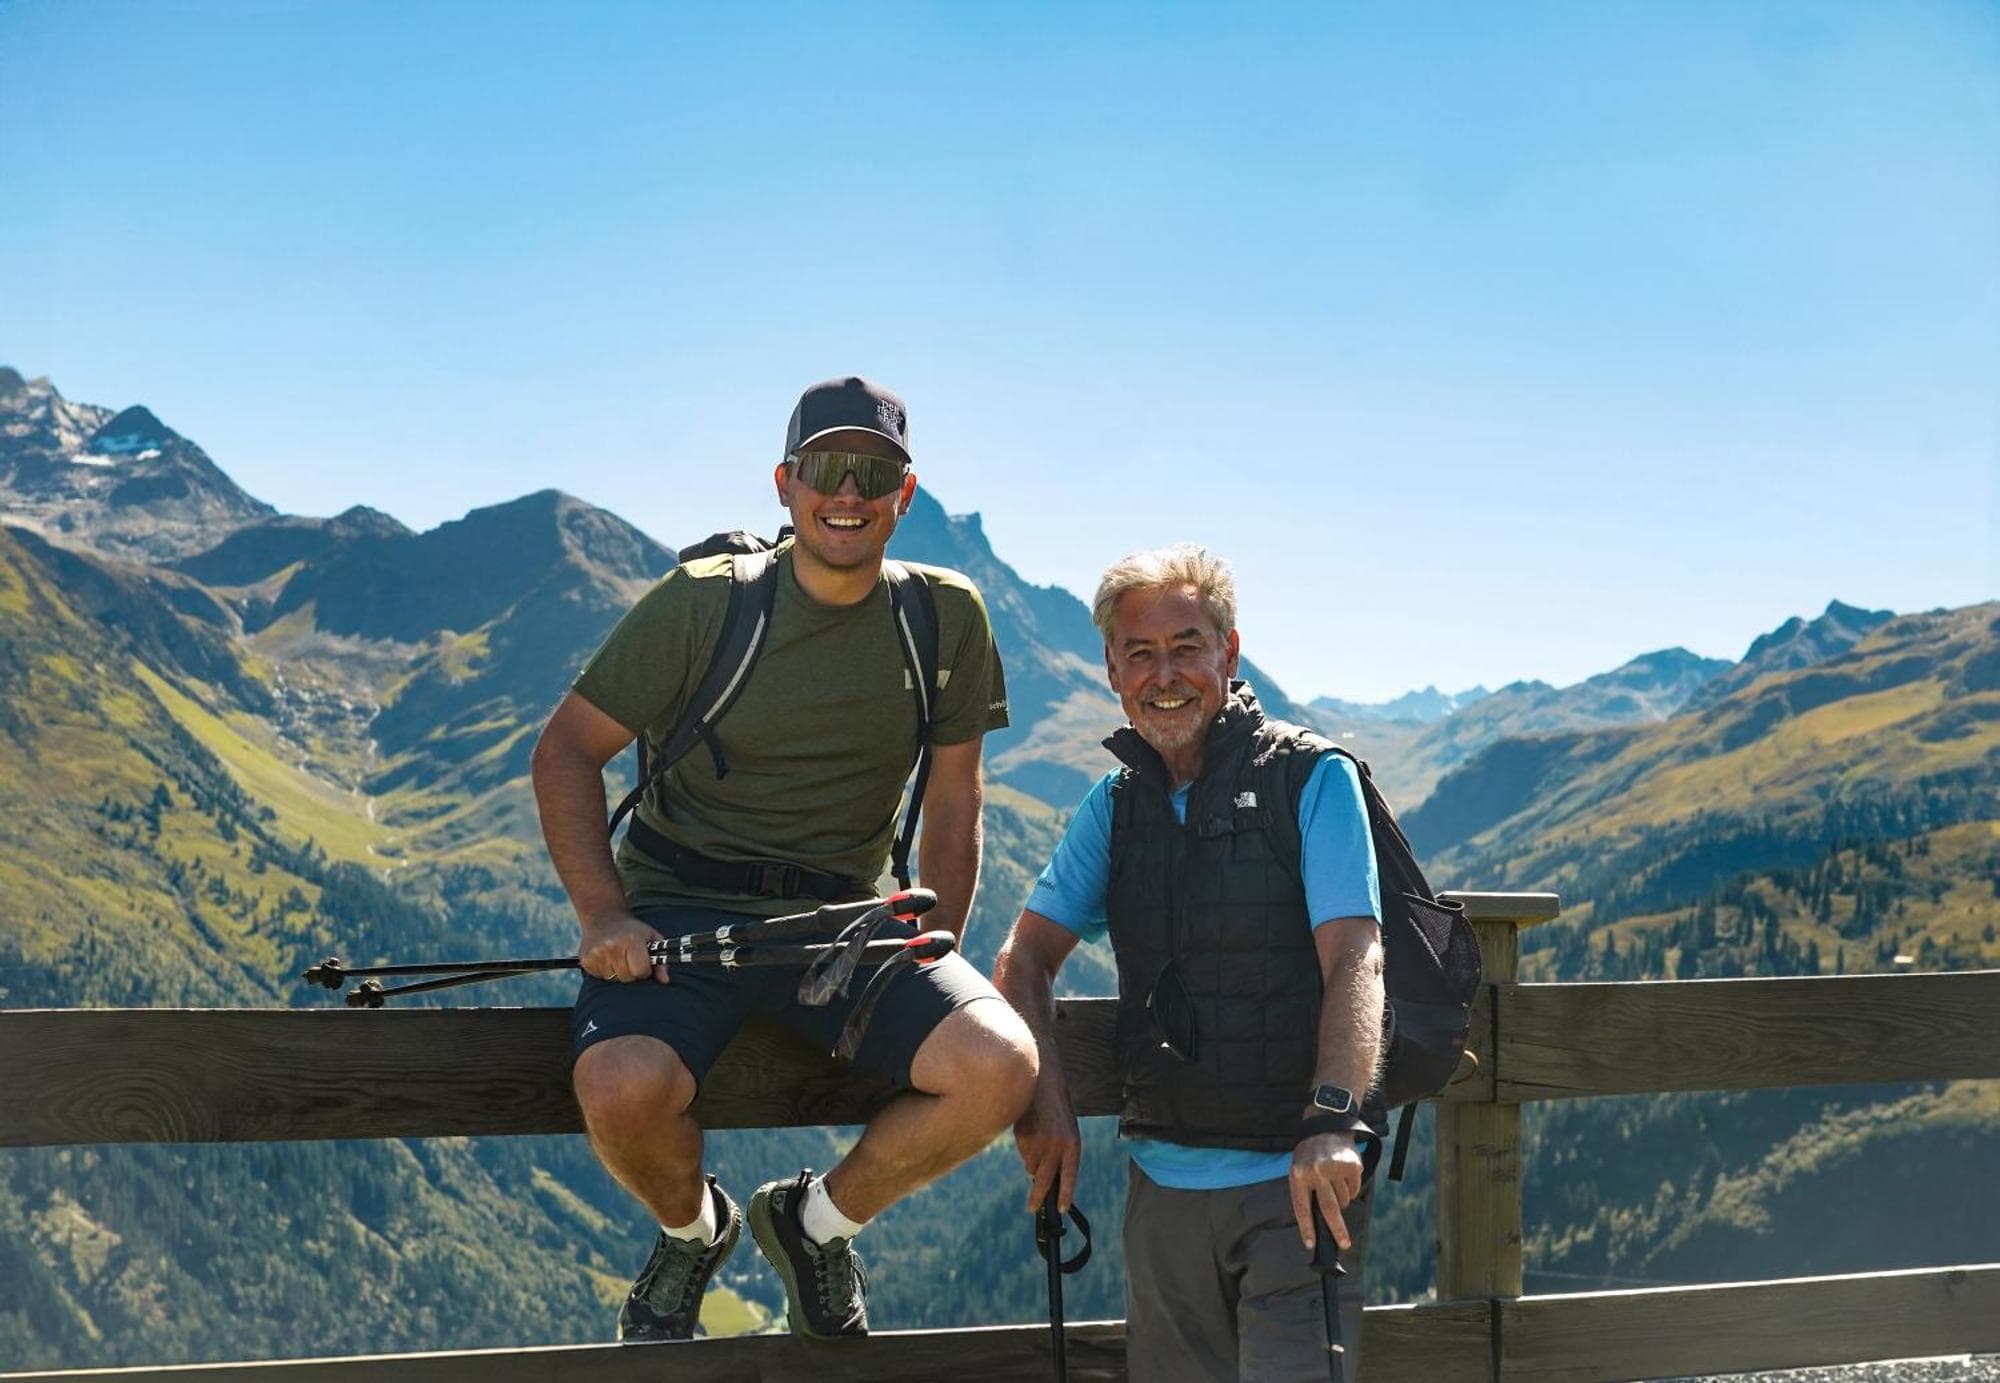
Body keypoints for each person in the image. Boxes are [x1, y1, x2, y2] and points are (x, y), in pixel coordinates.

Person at [531, 376, 1038, 1344]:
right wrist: (604, 915)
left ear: (904, 494)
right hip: (678, 909)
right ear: (784, 482)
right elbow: (564, 752)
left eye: (872, 473)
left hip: (845, 923)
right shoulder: (702, 604)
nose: (847, 492)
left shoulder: (945, 616)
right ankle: (694, 1232)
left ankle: (814, 1226)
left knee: (999, 1067)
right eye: (825, 468)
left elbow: (954, 794)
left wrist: (938, 937)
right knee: (620, 1087)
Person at [993, 543, 1386, 1382]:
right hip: (1161, 1189)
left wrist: (1332, 1118)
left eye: (1186, 646)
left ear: (1229, 653)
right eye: (1140, 652)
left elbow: (1357, 955)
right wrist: (1043, 1100)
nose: (1163, 674)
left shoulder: (1311, 778)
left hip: (1297, 1180)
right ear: (1112, 669)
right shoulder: (1115, 805)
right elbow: (1024, 956)